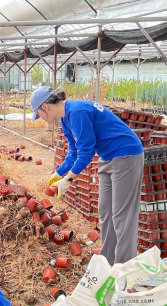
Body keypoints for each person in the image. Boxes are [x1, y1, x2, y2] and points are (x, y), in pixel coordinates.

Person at [30, 87, 144, 265]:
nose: (40, 119)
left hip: (126, 155)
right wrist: (58, 173)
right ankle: (108, 261)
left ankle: (125, 267)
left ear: (45, 106)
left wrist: (68, 179)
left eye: (38, 114)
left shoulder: (77, 112)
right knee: (106, 213)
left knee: (122, 216)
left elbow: (86, 151)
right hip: (107, 157)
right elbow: (73, 152)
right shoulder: (65, 119)